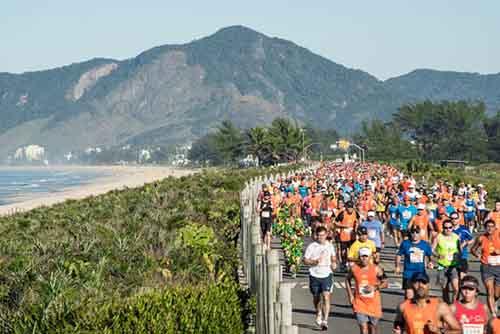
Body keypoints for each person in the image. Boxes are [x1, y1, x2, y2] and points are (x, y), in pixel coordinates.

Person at [393, 272, 461, 334]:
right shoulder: (403, 307)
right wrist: (399, 331)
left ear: (428, 285)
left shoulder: (440, 306)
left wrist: (439, 331)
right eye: (417, 282)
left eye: (424, 282)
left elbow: (458, 330)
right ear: (411, 284)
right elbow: (398, 327)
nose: (420, 286)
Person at [345, 248, 388, 334]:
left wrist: (374, 288)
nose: (364, 258)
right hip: (359, 302)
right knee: (363, 328)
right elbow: (347, 279)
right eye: (362, 256)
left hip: (374, 303)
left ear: (370, 257)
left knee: (372, 329)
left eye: (366, 256)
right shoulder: (354, 269)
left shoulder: (376, 269)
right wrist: (350, 296)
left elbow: (385, 283)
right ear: (359, 257)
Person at [303, 226, 337, 330]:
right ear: (316, 236)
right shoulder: (312, 246)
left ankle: (325, 320)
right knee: (316, 297)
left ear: (326, 235)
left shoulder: (330, 246)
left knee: (326, 296)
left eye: (323, 235)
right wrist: (314, 262)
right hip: (314, 274)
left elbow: (333, 257)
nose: (321, 237)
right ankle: (318, 312)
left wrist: (334, 263)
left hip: (326, 273)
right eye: (319, 235)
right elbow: (305, 260)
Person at [471, 219, 500, 317]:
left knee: (496, 294)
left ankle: (495, 301)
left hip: (498, 267)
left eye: (492, 226)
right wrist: (477, 255)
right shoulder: (481, 238)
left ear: (495, 227)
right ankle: (493, 315)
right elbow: (473, 249)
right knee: (489, 291)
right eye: (488, 226)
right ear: (485, 228)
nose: (490, 228)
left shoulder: (499, 236)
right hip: (486, 267)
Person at [396, 225, 433, 299]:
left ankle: (419, 309)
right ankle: (407, 309)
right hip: (408, 273)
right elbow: (399, 255)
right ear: (410, 233)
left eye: (417, 232)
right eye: (413, 232)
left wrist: (430, 262)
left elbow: (430, 255)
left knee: (421, 294)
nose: (415, 234)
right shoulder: (405, 243)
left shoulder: (425, 244)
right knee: (409, 295)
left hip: (421, 273)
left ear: (420, 234)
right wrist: (397, 266)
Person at [432, 219, 462, 303]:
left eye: (450, 227)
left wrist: (458, 257)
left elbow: (460, 250)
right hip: (442, 266)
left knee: (456, 288)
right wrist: (437, 255)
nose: (448, 229)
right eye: (445, 228)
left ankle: (454, 304)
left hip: (453, 266)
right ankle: (448, 304)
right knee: (445, 289)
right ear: (442, 228)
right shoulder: (438, 237)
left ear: (452, 228)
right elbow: (432, 250)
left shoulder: (456, 237)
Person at [335, 201, 359, 269]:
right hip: (344, 236)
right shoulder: (342, 213)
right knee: (344, 251)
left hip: (352, 236)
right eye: (348, 208)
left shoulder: (355, 213)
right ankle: (343, 264)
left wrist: (357, 225)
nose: (350, 209)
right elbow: (335, 223)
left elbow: (359, 219)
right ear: (346, 208)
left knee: (353, 250)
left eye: (351, 208)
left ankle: (352, 264)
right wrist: (344, 226)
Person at [450, 211, 473, 278]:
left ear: (459, 219)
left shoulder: (464, 229)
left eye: (455, 218)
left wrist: (466, 243)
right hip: (450, 257)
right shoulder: (448, 229)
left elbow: (471, 239)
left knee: (462, 276)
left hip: (462, 256)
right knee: (452, 278)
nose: (454, 220)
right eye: (452, 218)